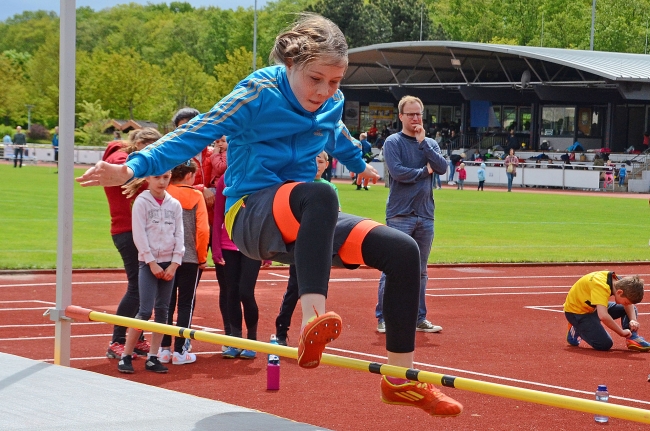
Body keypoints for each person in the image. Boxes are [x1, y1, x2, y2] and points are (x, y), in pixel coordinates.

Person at [77, 13, 463, 417]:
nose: (325, 91)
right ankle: (314, 316)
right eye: (315, 79)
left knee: (402, 251)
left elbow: (337, 134)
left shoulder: (332, 101)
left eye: (335, 81)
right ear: (291, 65)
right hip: (249, 214)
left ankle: (400, 379)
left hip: (302, 221)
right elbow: (195, 132)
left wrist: (360, 163)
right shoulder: (257, 93)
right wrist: (131, 168)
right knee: (321, 194)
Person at [375, 95, 447, 338]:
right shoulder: (392, 142)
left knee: (421, 270)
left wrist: (423, 143)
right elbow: (398, 173)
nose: (416, 118)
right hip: (400, 214)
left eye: (419, 114)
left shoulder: (429, 143)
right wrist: (423, 171)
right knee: (392, 268)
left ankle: (419, 318)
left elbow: (443, 167)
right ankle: (384, 317)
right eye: (411, 114)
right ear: (401, 117)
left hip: (426, 215)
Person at [117, 170, 185, 374]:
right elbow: (138, 234)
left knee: (163, 310)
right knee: (145, 310)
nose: (162, 181)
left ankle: (153, 357)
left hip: (169, 264)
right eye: (157, 177)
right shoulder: (141, 202)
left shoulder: (174, 204)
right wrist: (151, 262)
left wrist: (175, 262)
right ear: (148, 178)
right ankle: (125, 356)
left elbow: (180, 233)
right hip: (149, 264)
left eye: (166, 177)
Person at [103, 129, 161, 360]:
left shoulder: (139, 162)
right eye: (148, 147)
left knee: (145, 289)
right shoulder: (118, 159)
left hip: (143, 231)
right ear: (138, 143)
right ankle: (117, 340)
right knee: (137, 288)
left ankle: (136, 338)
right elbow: (122, 169)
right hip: (127, 231)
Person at [275, 151, 340, 346]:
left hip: (321, 249)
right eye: (313, 161)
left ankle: (313, 331)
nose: (317, 165)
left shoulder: (330, 188)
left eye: (321, 162)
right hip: (300, 246)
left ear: (327, 165)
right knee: (294, 289)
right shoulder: (300, 186)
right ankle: (281, 331)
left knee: (318, 289)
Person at [158, 160, 210, 366]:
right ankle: (180, 350)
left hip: (165, 256)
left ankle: (163, 348)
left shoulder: (164, 193)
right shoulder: (195, 196)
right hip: (189, 257)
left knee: (165, 303)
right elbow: (202, 230)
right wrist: (202, 257)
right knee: (186, 303)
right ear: (189, 175)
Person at [212, 174, 267, 359]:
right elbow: (218, 214)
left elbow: (267, 214)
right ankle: (235, 340)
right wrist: (216, 247)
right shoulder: (224, 180)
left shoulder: (260, 178)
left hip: (251, 244)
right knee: (231, 293)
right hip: (228, 245)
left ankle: (251, 341)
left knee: (246, 292)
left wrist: (267, 248)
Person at [564, 271, 650, 352]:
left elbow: (629, 305)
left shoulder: (619, 282)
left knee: (631, 310)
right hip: (577, 313)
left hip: (593, 307)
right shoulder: (600, 286)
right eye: (626, 302)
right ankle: (576, 328)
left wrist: (633, 320)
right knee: (605, 344)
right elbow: (603, 316)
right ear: (619, 292)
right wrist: (621, 332)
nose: (627, 304)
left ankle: (633, 338)